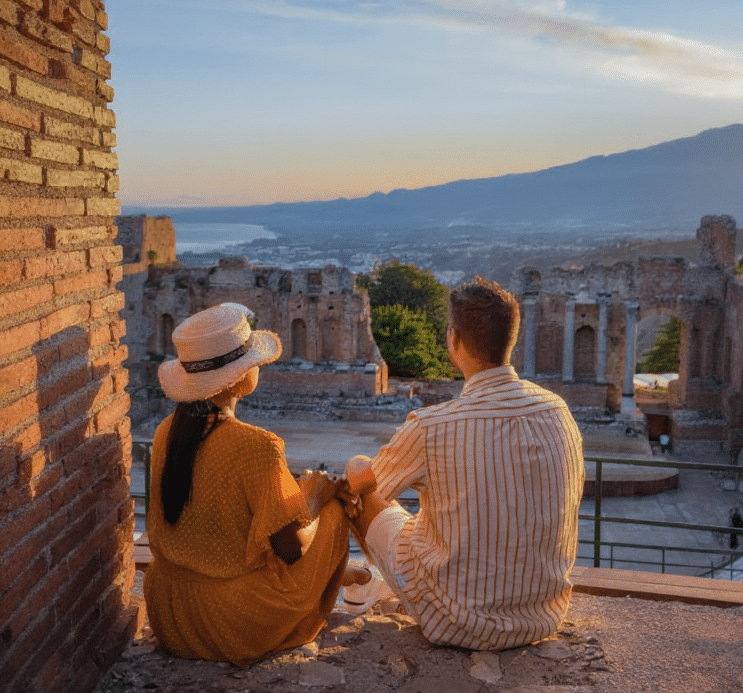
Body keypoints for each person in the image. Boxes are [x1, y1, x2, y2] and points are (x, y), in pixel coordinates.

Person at [343, 277, 585, 651]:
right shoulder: (559, 411)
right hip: (543, 616)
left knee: (359, 472)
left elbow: (366, 487)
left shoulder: (432, 425)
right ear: (512, 340)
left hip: (455, 620)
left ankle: (373, 584)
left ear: (454, 340)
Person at [144, 303, 369, 666]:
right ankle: (329, 577)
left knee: (303, 496)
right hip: (232, 622)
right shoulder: (257, 446)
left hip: (171, 612)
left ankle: (336, 573)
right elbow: (290, 549)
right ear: (241, 376)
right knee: (336, 504)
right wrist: (315, 496)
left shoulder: (165, 431)